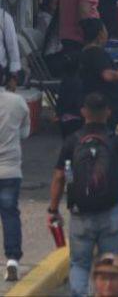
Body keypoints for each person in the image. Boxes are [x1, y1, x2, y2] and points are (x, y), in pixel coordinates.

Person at [47, 93, 118, 297]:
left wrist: (53, 209)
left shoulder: (72, 141)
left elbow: (58, 177)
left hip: (81, 215)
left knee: (80, 264)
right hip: (110, 213)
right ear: (107, 113)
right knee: (109, 265)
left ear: (83, 112)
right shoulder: (116, 142)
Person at [0, 76, 29, 281]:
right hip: (10, 170)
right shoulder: (17, 101)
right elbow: (25, 133)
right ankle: (12, 259)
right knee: (10, 214)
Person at [77, 19, 118, 128]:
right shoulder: (96, 53)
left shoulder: (84, 52)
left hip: (93, 103)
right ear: (100, 34)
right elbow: (108, 75)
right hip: (104, 106)